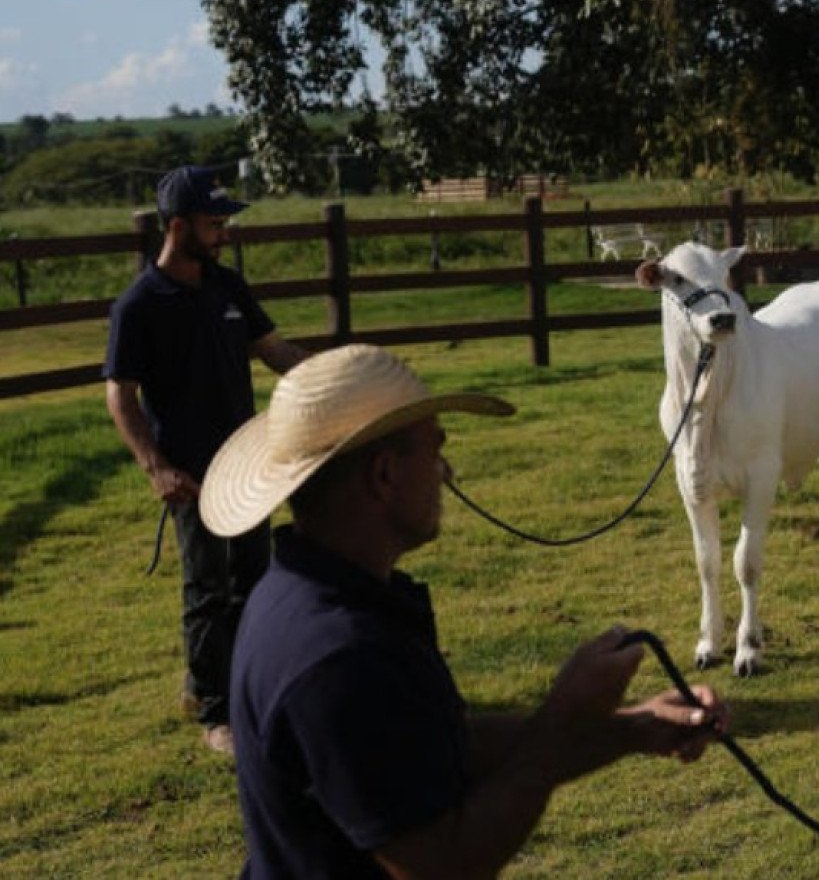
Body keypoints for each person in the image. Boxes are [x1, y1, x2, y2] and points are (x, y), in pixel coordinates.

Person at [201, 343, 730, 877]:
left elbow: (436, 751)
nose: (446, 471)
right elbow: (441, 864)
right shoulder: (338, 656)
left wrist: (631, 728)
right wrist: (561, 721)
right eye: (434, 451)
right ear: (384, 475)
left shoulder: (312, 593)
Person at [104, 164, 308, 754]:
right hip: (192, 473)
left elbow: (273, 351)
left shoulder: (226, 287)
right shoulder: (139, 305)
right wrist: (156, 466)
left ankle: (237, 690)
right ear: (176, 226)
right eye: (213, 222)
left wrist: (337, 379)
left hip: (249, 461)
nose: (224, 232)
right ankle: (218, 717)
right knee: (208, 588)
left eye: (224, 222)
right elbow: (120, 394)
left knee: (255, 580)